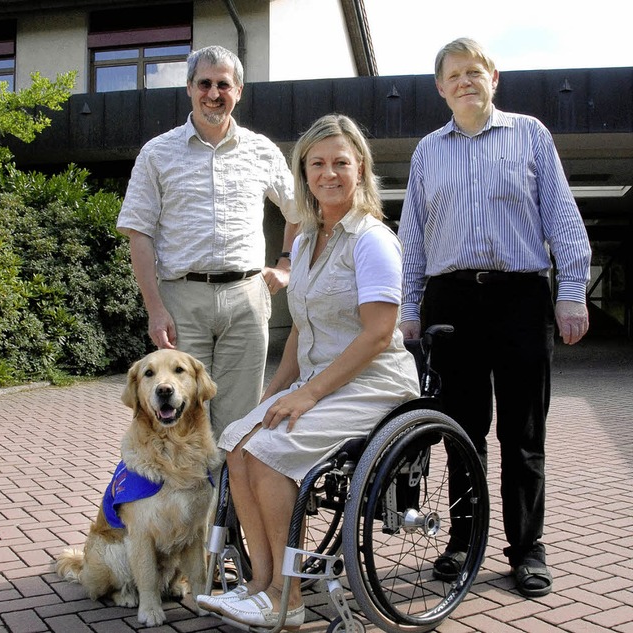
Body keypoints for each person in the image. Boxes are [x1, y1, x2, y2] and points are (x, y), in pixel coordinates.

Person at [196, 114, 421, 628]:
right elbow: (301, 327)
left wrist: (307, 396)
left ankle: (286, 596)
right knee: (238, 440)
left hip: (375, 385)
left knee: (271, 455)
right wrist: (272, 396)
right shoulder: (302, 242)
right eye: (317, 163)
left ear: (360, 167)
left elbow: (378, 334)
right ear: (303, 173)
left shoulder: (372, 239)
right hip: (320, 383)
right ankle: (259, 585)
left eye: (340, 162)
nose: (329, 173)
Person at [397, 38, 591, 598]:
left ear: (493, 77)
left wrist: (572, 291)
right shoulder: (427, 152)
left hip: (521, 301)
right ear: (440, 87)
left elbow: (561, 216)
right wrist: (410, 310)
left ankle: (527, 548)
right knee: (463, 433)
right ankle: (464, 543)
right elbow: (413, 236)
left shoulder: (530, 135)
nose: (464, 81)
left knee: (523, 433)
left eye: (473, 71)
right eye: (453, 75)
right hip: (451, 302)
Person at [116, 45, 299, 439]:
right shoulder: (157, 153)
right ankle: (189, 502)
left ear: (239, 91)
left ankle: (231, 502)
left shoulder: (261, 150)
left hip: (246, 300)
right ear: (189, 88)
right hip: (182, 301)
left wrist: (285, 266)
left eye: (223, 84)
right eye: (205, 83)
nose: (213, 93)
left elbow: (299, 211)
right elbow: (139, 232)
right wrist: (155, 309)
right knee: (181, 422)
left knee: (239, 422)